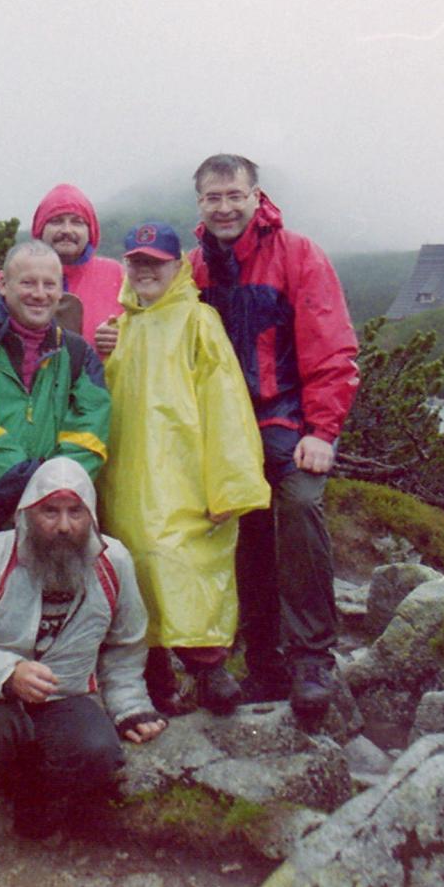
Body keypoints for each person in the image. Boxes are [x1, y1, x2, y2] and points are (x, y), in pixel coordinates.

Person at [0, 457, 167, 877]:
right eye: (50, 511)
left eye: (75, 512)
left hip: (62, 694)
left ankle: (34, 796)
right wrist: (7, 673)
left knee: (98, 750)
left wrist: (129, 706)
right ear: (27, 513)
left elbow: (125, 643)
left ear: (91, 515)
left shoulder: (114, 563)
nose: (64, 525)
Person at [187, 154, 360, 726]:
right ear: (199, 204)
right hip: (224, 432)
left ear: (257, 197)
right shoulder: (193, 270)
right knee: (245, 534)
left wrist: (323, 431)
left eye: (234, 195)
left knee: (301, 508)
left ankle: (312, 660)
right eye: (213, 198)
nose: (224, 208)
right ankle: (263, 661)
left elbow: (331, 346)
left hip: (286, 421)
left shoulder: (298, 254)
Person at [100, 221, 270, 716]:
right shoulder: (118, 328)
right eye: (137, 262)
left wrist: (230, 487)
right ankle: (155, 680)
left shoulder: (199, 321)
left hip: (186, 478)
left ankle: (208, 668)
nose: (145, 271)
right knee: (134, 571)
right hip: (126, 479)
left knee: (184, 564)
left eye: (156, 262)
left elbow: (226, 405)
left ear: (177, 266)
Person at [0, 238, 112, 569]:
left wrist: (53, 495)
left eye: (49, 284)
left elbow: (90, 433)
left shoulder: (79, 354)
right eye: (27, 283)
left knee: (52, 602)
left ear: (61, 290)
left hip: (53, 521)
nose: (39, 294)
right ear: (3, 285)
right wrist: (37, 489)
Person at [31, 183, 126, 354]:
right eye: (56, 221)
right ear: (40, 230)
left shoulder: (118, 275)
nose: (67, 230)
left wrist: (125, 337)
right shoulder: (12, 278)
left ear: (91, 231)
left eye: (77, 222)